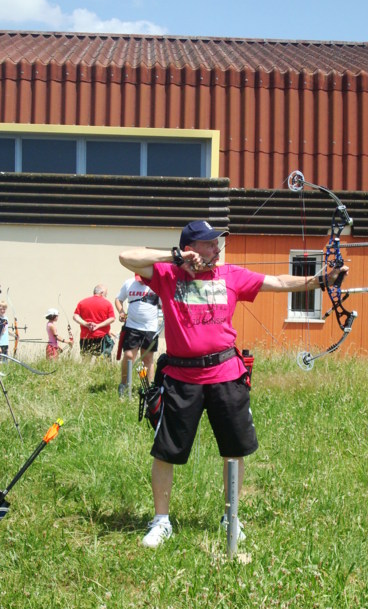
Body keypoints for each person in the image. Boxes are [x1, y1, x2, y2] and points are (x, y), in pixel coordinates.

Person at [119, 220, 348, 548]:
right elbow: (126, 257)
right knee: (166, 451)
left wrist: (320, 280)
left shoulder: (231, 275)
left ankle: (231, 517)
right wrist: (175, 257)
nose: (218, 248)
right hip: (181, 378)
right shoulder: (167, 274)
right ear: (191, 248)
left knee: (233, 450)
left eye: (217, 242)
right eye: (210, 243)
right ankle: (161, 521)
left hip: (226, 374)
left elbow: (278, 281)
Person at [115, 275, 160, 397]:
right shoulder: (129, 283)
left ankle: (148, 389)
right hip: (132, 326)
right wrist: (121, 312)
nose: (141, 281)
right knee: (129, 355)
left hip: (151, 328)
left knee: (147, 359)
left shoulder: (156, 284)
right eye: (139, 279)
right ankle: (124, 384)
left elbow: (165, 302)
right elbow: (118, 299)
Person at [73, 284, 115, 356]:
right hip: (102, 336)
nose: (106, 295)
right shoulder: (107, 303)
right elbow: (112, 318)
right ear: (102, 293)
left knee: (86, 360)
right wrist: (98, 325)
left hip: (85, 336)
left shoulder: (82, 302)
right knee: (103, 360)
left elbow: (75, 316)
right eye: (106, 293)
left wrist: (86, 324)